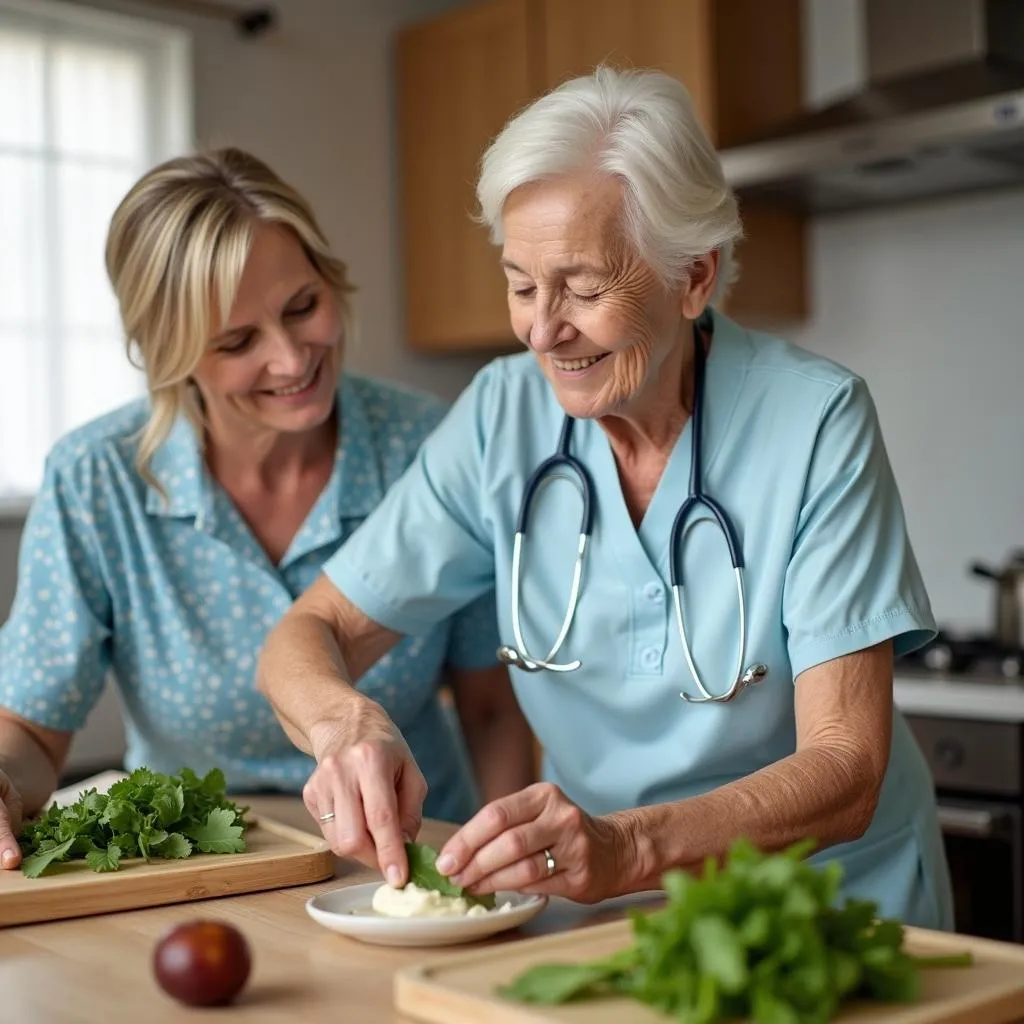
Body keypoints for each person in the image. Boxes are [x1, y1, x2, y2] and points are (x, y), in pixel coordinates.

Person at [255, 67, 955, 927]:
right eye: (520, 285)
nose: (542, 330)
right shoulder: (500, 418)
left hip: (823, 903)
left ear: (693, 278)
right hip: (606, 907)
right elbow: (306, 633)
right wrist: (345, 724)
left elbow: (846, 766)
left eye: (583, 290)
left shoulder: (815, 421)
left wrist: (630, 847)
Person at [0, 148, 535, 871]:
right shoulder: (97, 481)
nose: (291, 359)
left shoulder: (428, 447)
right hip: (191, 868)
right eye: (237, 341)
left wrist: (515, 865)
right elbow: (30, 732)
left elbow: (491, 705)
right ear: (170, 353)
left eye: (302, 307)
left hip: (409, 853)